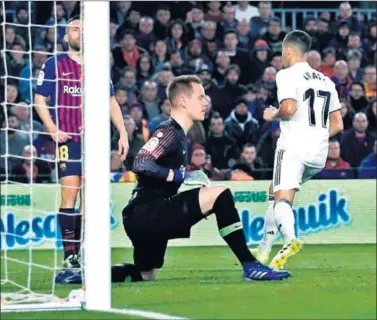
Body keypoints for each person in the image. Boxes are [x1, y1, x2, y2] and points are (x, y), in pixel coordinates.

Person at [112, 75, 291, 283]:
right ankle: (250, 265)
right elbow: (141, 162)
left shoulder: (179, 135)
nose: (206, 103)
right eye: (200, 97)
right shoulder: (169, 131)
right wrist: (177, 175)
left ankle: (90, 276)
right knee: (221, 195)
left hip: (141, 217)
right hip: (148, 213)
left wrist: (182, 177)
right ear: (183, 102)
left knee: (145, 274)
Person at [34, 17, 129, 272]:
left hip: (95, 142)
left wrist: (122, 133)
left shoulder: (98, 67)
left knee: (92, 199)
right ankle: (70, 255)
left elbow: (111, 103)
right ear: (67, 37)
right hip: (69, 140)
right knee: (71, 193)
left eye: (84, 29)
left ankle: (89, 251)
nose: (80, 32)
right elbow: (39, 100)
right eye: (75, 29)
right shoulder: (55, 64)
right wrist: (52, 129)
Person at [251, 31, 344, 270]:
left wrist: (274, 114)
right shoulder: (327, 81)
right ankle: (263, 249)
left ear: (288, 51)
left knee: (282, 198)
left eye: (282, 52)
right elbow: (338, 125)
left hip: (293, 146)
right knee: (275, 190)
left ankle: (289, 240)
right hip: (318, 154)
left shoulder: (286, 74)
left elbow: (289, 107)